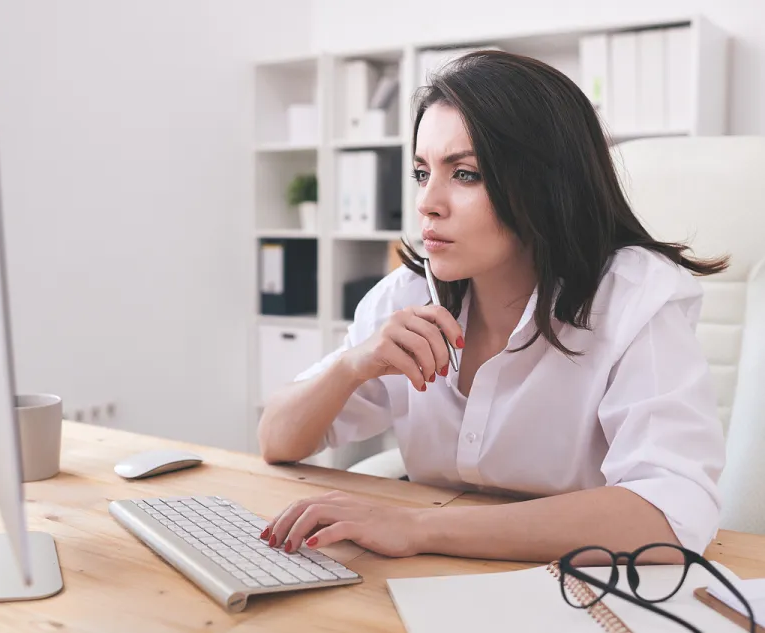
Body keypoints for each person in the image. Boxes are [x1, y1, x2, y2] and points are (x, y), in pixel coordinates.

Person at [256, 50, 728, 565]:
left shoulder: (634, 296)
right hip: (432, 575)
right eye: (421, 172)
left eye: (465, 174)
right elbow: (277, 440)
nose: (427, 202)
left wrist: (419, 526)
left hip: (578, 586)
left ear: (547, 185)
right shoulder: (409, 294)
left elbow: (668, 516)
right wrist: (352, 365)